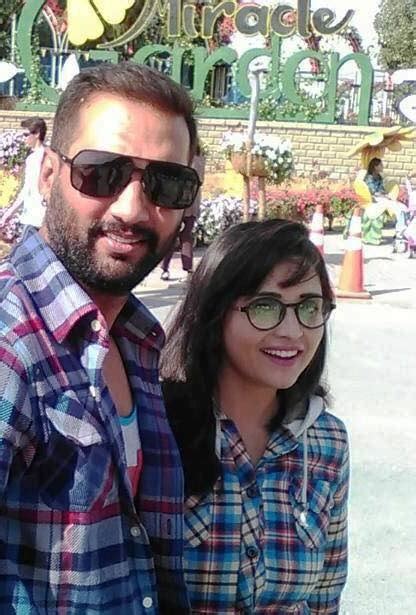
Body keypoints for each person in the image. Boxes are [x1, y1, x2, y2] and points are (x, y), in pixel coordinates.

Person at [0, 62, 203, 614]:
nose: (133, 209)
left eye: (166, 183)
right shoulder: (11, 343)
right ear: (47, 174)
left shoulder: (135, 337)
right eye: (101, 173)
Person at [161, 219, 349, 614]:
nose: (293, 331)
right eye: (266, 306)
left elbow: (324, 599)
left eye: (309, 307)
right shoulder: (159, 425)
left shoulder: (328, 442)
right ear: (215, 312)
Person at [160, 142, 205, 281]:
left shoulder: (183, 157)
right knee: (186, 236)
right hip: (192, 202)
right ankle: (187, 270)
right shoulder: (200, 158)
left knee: (172, 236)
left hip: (179, 201)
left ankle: (165, 269)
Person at [0, 116, 47, 231]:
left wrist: (8, 214)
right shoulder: (48, 154)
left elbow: (27, 189)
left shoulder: (35, 158)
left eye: (26, 135)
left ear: (37, 134)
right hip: (41, 219)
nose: (23, 138)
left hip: (34, 218)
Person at [362, 157, 407, 244]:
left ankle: (401, 229)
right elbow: (372, 192)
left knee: (401, 207)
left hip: (381, 198)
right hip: (374, 200)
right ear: (375, 167)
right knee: (395, 207)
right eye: (381, 165)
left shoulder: (379, 177)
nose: (382, 166)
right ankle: (400, 232)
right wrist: (384, 196)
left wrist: (386, 194)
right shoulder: (369, 178)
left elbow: (381, 189)